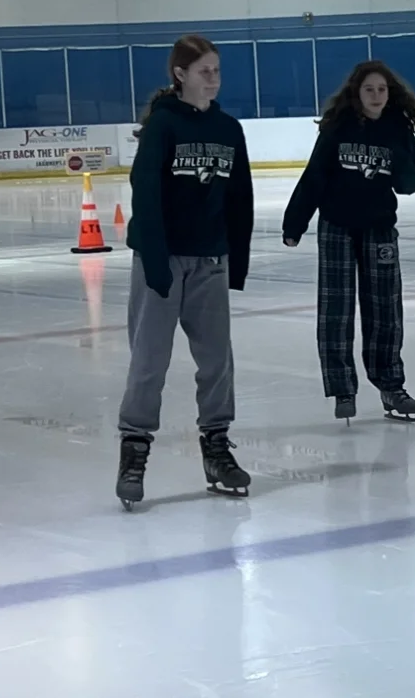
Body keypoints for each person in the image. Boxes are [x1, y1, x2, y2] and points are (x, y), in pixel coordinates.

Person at [114, 34, 255, 511]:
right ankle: (134, 450)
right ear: (181, 74)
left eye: (216, 69)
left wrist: (235, 260)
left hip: (211, 261)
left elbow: (240, 199)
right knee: (149, 362)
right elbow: (146, 194)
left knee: (217, 361)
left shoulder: (229, 129)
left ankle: (217, 447)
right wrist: (154, 262)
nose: (213, 78)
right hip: (163, 260)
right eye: (204, 71)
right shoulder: (163, 126)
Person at [281, 60, 415, 423]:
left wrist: (404, 153)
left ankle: (391, 386)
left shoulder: (396, 130)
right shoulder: (337, 128)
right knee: (336, 310)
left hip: (379, 228)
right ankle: (343, 389)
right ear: (356, 93)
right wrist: (294, 223)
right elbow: (314, 176)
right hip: (337, 228)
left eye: (382, 90)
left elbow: (410, 184)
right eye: (369, 89)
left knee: (385, 311)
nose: (376, 96)